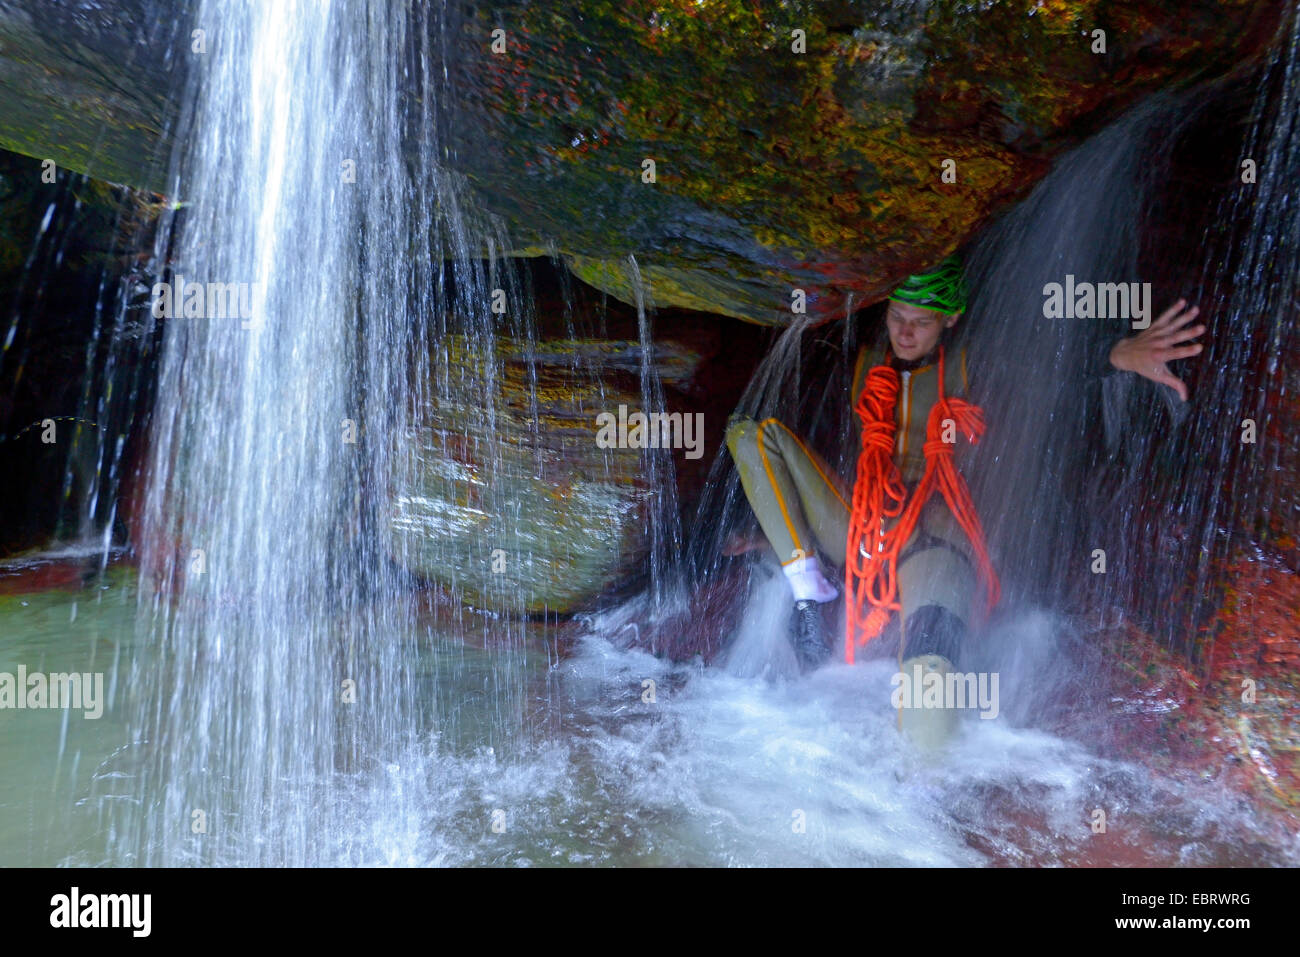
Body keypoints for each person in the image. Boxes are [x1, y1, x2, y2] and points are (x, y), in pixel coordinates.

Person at [724, 255, 1203, 744]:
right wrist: (778, 532)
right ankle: (810, 591)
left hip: (937, 537)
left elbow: (1051, 359)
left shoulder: (976, 365)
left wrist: (1121, 353)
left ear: (950, 320)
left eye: (921, 322)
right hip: (862, 526)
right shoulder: (867, 362)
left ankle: (920, 784)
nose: (904, 333)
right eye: (896, 317)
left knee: (930, 661)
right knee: (749, 434)